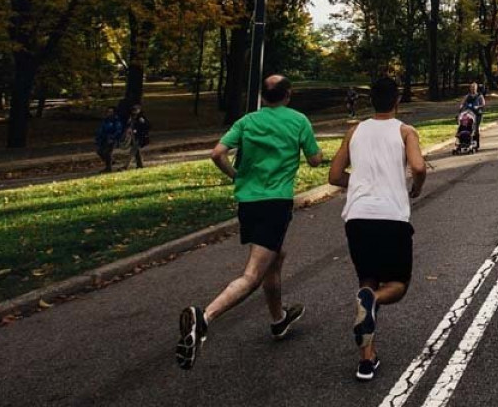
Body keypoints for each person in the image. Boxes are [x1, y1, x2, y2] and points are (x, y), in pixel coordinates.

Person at [176, 75, 323, 371]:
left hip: (248, 203)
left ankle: (278, 320)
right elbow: (315, 161)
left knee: (275, 258)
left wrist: (236, 176)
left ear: (262, 96)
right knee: (253, 274)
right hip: (275, 203)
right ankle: (205, 318)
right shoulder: (298, 120)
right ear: (288, 95)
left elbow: (217, 153)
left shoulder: (247, 121)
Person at [328, 77, 427, 381]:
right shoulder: (405, 131)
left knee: (367, 282)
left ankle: (366, 361)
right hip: (391, 216)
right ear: (397, 101)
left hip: (357, 217)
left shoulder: (354, 130)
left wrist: (357, 185)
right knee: (397, 284)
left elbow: (334, 175)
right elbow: (419, 167)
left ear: (371, 101)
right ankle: (375, 303)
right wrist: (416, 188)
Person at [122, 104, 150, 170]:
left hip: (139, 137)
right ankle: (140, 165)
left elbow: (147, 126)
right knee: (136, 151)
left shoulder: (141, 117)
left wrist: (138, 129)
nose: (134, 111)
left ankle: (126, 166)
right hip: (133, 137)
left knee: (133, 151)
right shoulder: (131, 117)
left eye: (136, 110)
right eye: (133, 110)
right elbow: (128, 125)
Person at [95, 107, 122, 173]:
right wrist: (98, 137)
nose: (109, 113)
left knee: (108, 152)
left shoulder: (116, 120)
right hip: (104, 138)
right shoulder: (106, 120)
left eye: (111, 112)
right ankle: (111, 161)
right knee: (100, 151)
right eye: (108, 112)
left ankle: (108, 168)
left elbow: (118, 130)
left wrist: (112, 137)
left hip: (112, 139)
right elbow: (101, 129)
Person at [461, 83, 486, 148]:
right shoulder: (467, 96)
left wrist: (478, 106)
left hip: (477, 114)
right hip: (469, 114)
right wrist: (461, 106)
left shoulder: (480, 96)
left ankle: (476, 143)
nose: (473, 89)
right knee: (467, 128)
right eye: (471, 87)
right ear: (470, 88)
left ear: (476, 88)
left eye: (474, 87)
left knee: (476, 128)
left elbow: (483, 104)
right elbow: (462, 103)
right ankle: (467, 142)